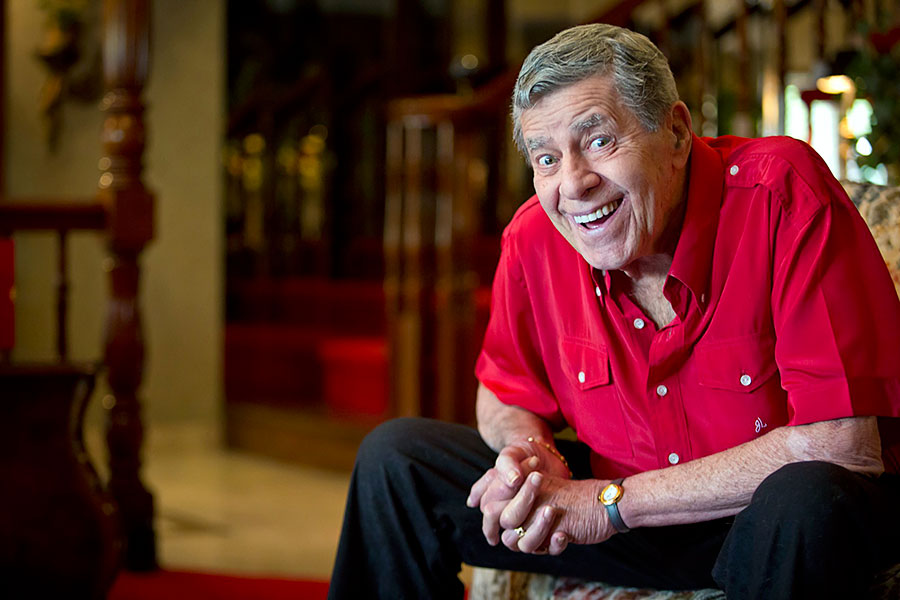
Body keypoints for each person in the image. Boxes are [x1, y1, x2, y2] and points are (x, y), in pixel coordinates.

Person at [328, 23, 900, 600]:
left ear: (676, 133)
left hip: (769, 517)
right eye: (546, 158)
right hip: (638, 520)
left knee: (805, 497)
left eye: (599, 141)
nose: (573, 184)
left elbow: (843, 445)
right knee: (396, 460)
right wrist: (532, 456)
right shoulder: (534, 239)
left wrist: (610, 504)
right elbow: (503, 392)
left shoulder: (780, 192)